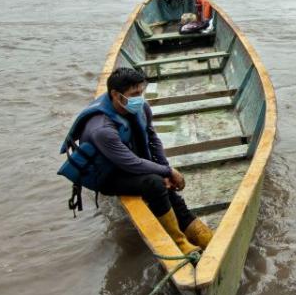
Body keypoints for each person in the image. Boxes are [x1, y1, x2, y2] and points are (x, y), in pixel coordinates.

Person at [59, 67, 213, 253]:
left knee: (166, 188)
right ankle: (179, 242)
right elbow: (130, 163)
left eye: (141, 92)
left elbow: (152, 138)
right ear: (115, 95)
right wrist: (167, 172)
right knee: (154, 183)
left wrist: (164, 167)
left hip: (132, 161)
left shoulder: (140, 106)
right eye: (134, 94)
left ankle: (197, 231)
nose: (139, 98)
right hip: (110, 174)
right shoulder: (102, 129)